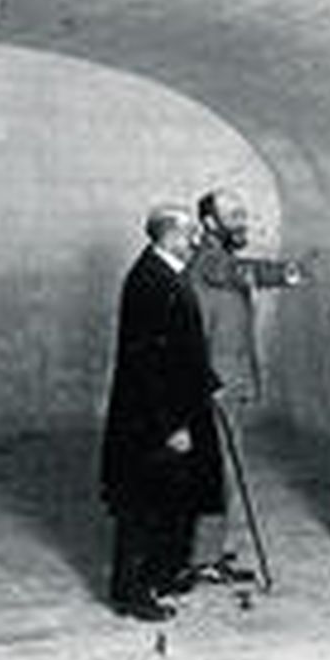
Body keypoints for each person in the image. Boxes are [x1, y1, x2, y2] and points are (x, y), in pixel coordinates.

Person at [99, 204, 223, 621]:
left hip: (173, 408)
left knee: (170, 497)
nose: (196, 239)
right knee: (142, 505)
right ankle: (131, 592)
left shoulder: (164, 273)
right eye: (190, 233)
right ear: (169, 235)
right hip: (153, 419)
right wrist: (172, 424)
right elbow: (149, 363)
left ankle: (162, 573)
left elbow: (182, 346)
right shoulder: (150, 280)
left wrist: (209, 382)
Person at [188, 187, 305, 580]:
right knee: (218, 472)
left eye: (243, 213)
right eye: (233, 215)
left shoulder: (218, 260)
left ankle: (210, 553)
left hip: (225, 385)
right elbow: (240, 272)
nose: (242, 221)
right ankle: (202, 559)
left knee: (221, 472)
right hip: (215, 386)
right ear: (209, 223)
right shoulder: (210, 261)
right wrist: (286, 273)